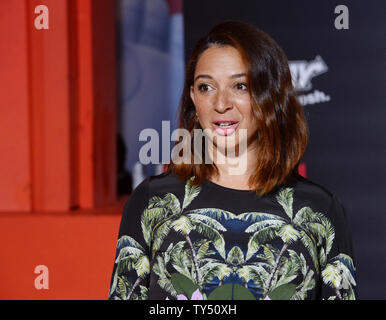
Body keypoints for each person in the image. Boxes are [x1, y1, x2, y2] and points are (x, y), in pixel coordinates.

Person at [108, 20, 357, 300]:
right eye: (206, 87)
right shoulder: (152, 201)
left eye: (240, 86)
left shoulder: (319, 210)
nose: (221, 103)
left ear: (269, 94)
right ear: (193, 97)